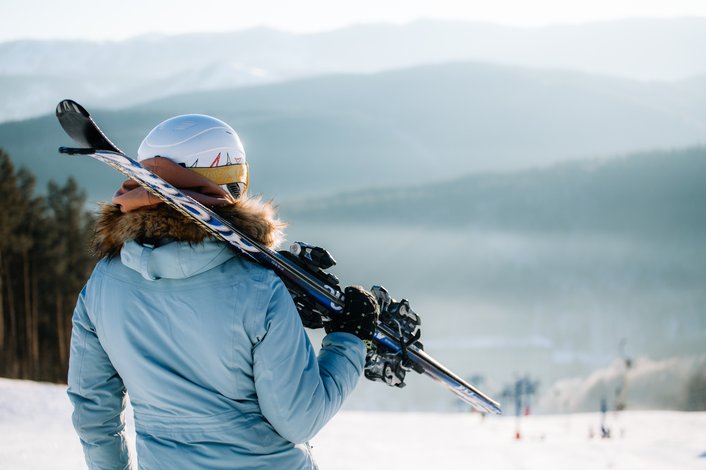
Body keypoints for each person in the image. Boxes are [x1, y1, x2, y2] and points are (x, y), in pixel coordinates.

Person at [66, 114, 379, 469]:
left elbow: (94, 412)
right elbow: (299, 419)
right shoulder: (258, 287)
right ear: (227, 182)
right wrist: (349, 341)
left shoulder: (104, 284)